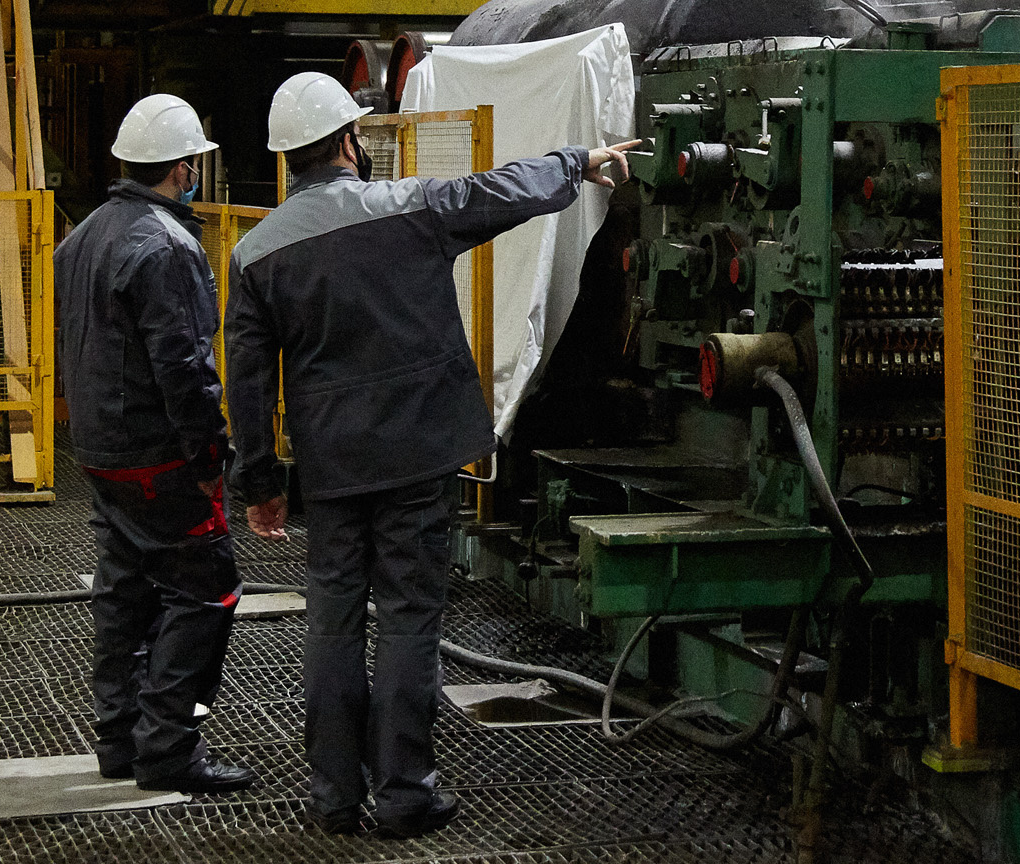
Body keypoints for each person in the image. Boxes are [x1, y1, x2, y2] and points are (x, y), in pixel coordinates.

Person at [225, 72, 633, 839]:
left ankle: (333, 798)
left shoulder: (255, 257)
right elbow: (498, 190)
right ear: (349, 142)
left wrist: (258, 482)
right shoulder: (408, 208)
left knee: (334, 623)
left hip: (334, 468)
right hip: (418, 455)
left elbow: (246, 386)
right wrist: (576, 162)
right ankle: (405, 794)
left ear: (289, 161)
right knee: (410, 621)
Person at [54, 94, 255, 795]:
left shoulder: (80, 237)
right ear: (181, 168)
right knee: (207, 592)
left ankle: (119, 741)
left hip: (100, 451)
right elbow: (185, 368)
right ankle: (169, 746)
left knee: (125, 593)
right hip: (159, 456)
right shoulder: (168, 248)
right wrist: (211, 459)